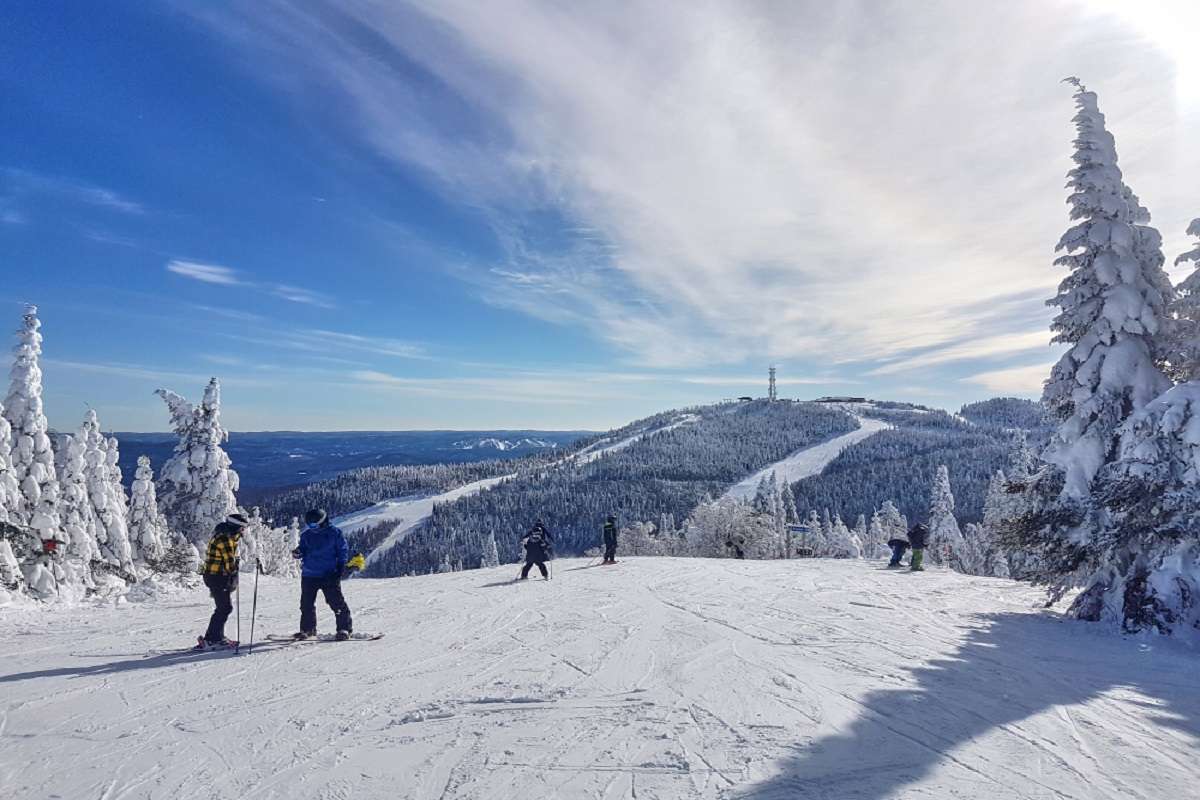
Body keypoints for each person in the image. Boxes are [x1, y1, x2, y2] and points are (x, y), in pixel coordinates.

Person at [292, 509, 353, 640]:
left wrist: (340, 568)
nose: (312, 528)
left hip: (329, 574)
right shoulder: (307, 535)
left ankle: (344, 628)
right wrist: (298, 552)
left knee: (336, 602)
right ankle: (308, 630)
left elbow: (342, 551)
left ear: (323, 522)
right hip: (309, 574)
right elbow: (302, 548)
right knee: (306, 604)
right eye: (309, 525)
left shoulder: (335, 533)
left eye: (314, 525)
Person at [199, 512, 251, 648]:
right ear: (236, 527)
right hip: (218, 577)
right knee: (224, 608)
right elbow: (230, 565)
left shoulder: (223, 535)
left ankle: (214, 637)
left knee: (223, 607)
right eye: (242, 528)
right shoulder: (225, 539)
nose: (243, 531)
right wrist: (236, 566)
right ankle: (213, 638)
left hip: (213, 575)